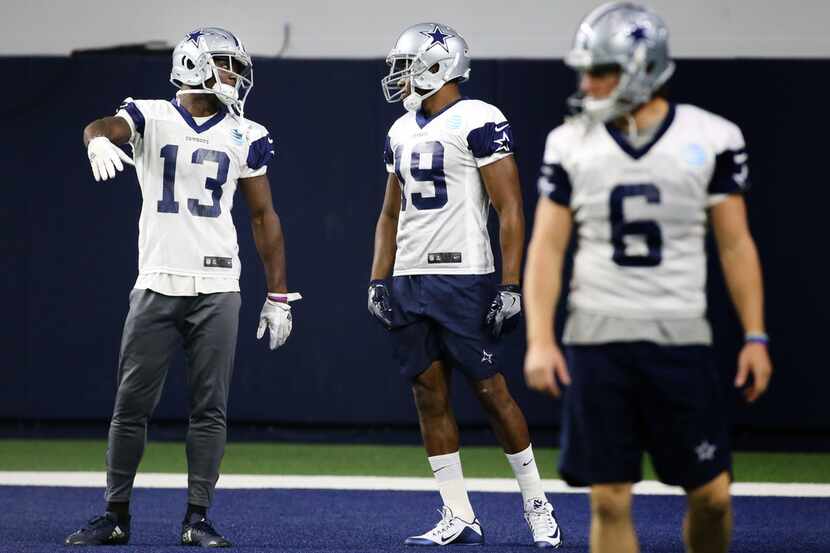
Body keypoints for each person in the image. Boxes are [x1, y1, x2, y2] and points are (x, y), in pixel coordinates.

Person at [522, 3, 773, 553]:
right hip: (597, 341)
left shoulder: (712, 136)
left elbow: (735, 244)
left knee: (712, 496)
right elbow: (548, 246)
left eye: (602, 69)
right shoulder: (569, 142)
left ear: (642, 67)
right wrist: (540, 339)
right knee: (608, 497)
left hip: (680, 340)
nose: (587, 82)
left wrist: (755, 335)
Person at [65, 27, 300, 547]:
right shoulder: (151, 114)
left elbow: (264, 216)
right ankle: (116, 513)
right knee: (131, 405)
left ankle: (197, 518)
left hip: (219, 283)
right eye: (224, 64)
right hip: (157, 279)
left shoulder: (247, 133)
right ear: (194, 65)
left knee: (210, 408)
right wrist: (97, 139)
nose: (234, 76)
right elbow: (102, 124)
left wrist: (278, 294)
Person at [369, 22, 562, 548]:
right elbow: (390, 213)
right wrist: (378, 279)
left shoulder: (479, 119)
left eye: (406, 66)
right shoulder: (400, 129)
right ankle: (459, 515)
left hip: (464, 278)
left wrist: (512, 284)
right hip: (410, 278)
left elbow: (510, 207)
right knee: (427, 395)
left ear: (438, 65)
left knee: (491, 392)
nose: (399, 77)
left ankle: (537, 505)